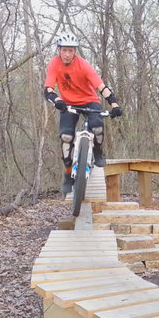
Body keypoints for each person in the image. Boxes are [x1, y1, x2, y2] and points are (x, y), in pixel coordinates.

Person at [43, 31, 122, 195]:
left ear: (75, 52)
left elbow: (101, 87)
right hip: (68, 104)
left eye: (70, 50)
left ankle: (98, 151)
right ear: (59, 50)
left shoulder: (83, 65)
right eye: (64, 50)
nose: (67, 54)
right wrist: (57, 100)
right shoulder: (54, 64)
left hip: (89, 100)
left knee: (97, 127)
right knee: (66, 137)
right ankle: (67, 174)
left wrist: (114, 104)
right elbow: (48, 89)